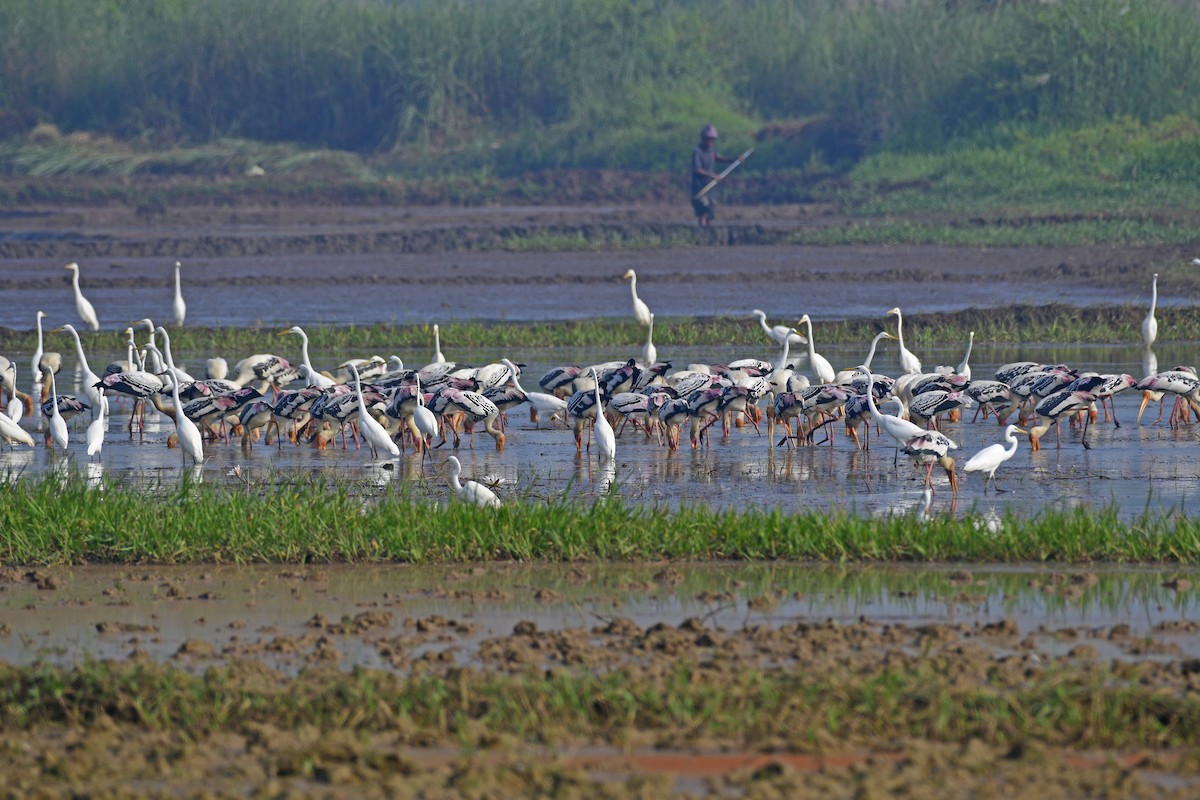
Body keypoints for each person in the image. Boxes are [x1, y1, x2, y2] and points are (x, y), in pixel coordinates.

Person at [690, 123, 735, 227]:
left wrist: (734, 159)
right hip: (700, 187)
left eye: (712, 139)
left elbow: (719, 157)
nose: (710, 141)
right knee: (703, 210)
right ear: (703, 138)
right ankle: (701, 231)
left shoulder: (712, 150)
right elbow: (697, 169)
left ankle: (708, 232)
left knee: (711, 211)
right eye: (708, 139)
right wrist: (713, 175)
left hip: (710, 187)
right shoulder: (697, 151)